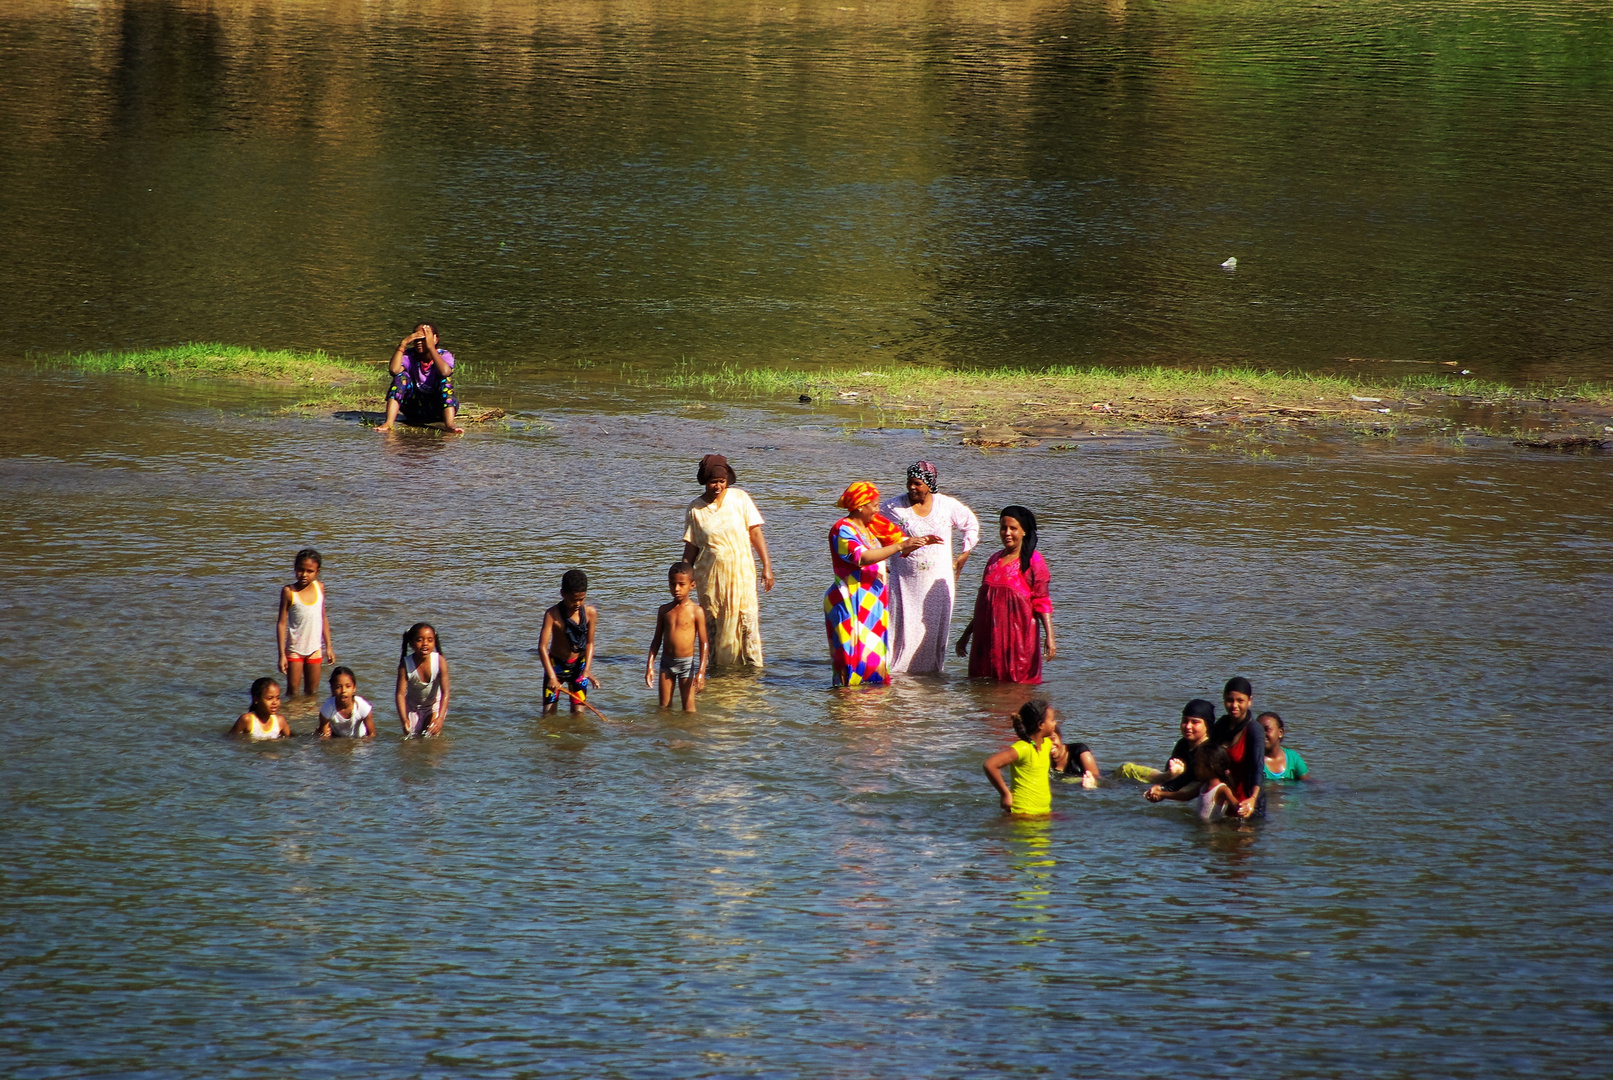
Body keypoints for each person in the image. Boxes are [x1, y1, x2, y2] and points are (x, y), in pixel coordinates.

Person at [824, 482, 939, 687]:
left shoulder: (871, 528)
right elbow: (861, 557)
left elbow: (895, 544)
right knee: (849, 658)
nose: (878, 510)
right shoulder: (842, 529)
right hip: (849, 600)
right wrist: (900, 545)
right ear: (860, 506)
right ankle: (845, 707)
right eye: (874, 505)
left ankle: (870, 708)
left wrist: (915, 542)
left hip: (872, 601)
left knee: (874, 659)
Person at [879, 461, 981, 674]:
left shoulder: (946, 505)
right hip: (904, 582)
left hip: (937, 581)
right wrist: (880, 561)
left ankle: (930, 675)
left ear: (930, 484)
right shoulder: (893, 507)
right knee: (902, 630)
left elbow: (970, 524)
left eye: (917, 483)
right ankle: (898, 676)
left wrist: (964, 554)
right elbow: (871, 528)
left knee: (933, 631)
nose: (912, 488)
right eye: (909, 483)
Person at [682, 454, 774, 670]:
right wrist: (685, 576)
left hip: (742, 577)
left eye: (722, 482)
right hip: (710, 580)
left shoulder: (740, 498)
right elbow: (691, 547)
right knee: (713, 626)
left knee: (747, 624)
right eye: (713, 482)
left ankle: (753, 676)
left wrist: (767, 567)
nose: (718, 486)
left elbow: (755, 534)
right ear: (705, 481)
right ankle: (717, 674)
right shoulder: (695, 509)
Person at [956, 505, 1055, 684]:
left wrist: (1050, 637)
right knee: (982, 688)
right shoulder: (993, 560)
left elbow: (1042, 601)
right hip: (986, 639)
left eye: (1013, 528)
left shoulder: (1034, 562)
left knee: (1017, 688)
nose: (1007, 533)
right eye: (1003, 528)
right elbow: (984, 605)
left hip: (1018, 641)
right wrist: (966, 635)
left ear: (1024, 531)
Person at [982, 699, 1067, 814]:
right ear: (1040, 725)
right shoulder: (1023, 748)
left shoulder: (1047, 744)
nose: (1055, 723)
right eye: (1052, 720)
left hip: (1043, 812)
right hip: (1022, 813)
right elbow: (990, 765)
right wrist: (1005, 794)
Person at [376, 322, 463, 434]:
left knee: (445, 381)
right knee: (401, 377)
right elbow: (394, 370)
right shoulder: (410, 355)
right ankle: (389, 423)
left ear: (435, 339)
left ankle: (449, 425)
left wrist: (431, 347)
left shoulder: (444, 355)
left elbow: (445, 372)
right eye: (416, 339)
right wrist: (403, 344)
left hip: (437, 410)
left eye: (424, 339)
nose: (419, 343)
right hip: (414, 409)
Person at [646, 562, 708, 711]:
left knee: (689, 710)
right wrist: (649, 666)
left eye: (681, 584)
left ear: (692, 585)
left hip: (686, 664)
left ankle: (688, 733)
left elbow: (704, 643)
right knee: (664, 708)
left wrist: (701, 671)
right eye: (672, 584)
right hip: (666, 663)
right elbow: (656, 640)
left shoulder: (696, 611)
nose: (676, 589)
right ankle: (666, 733)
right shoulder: (664, 610)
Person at [276, 548, 334, 696]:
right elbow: (282, 623)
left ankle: (308, 719)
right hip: (295, 649)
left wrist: (329, 647)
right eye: (300, 570)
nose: (304, 574)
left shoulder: (319, 588)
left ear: (317, 571)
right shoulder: (289, 592)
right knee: (293, 693)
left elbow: (323, 617)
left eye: (309, 571)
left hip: (315, 649)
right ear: (295, 569)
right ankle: (291, 717)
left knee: (312, 693)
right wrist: (282, 654)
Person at [540, 569, 599, 714]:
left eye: (582, 599)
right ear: (562, 594)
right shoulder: (552, 614)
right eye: (574, 600)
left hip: (578, 667)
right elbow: (542, 647)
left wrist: (587, 671)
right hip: (556, 667)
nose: (578, 603)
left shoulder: (590, 613)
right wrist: (552, 677)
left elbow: (590, 643)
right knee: (549, 713)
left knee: (579, 713)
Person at [1117, 699, 1215, 784]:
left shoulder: (1209, 751)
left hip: (1186, 789)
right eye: (1185, 721)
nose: (1188, 726)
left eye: (1195, 722)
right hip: (1166, 778)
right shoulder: (1183, 744)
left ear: (1207, 725)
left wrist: (1172, 776)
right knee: (1126, 769)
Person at [1211, 676, 1265, 818]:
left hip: (1247, 801)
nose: (1234, 705)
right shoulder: (1221, 725)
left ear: (1249, 701)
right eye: (1230, 700)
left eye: (1240, 700)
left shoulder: (1254, 730)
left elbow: (1257, 768)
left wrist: (1253, 799)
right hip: (1224, 798)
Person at [1145, 742, 1237, 821]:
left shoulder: (1222, 789)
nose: (1194, 768)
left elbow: (1234, 802)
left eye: (1197, 765)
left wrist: (1242, 808)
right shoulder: (1204, 785)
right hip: (1202, 829)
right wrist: (1161, 794)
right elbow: (1185, 796)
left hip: (1212, 832)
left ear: (1209, 769)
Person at [394, 622, 451, 736]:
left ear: (434, 642)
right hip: (413, 707)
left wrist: (440, 718)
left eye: (430, 640)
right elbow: (400, 695)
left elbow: (446, 692)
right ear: (411, 643)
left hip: (434, 706)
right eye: (419, 640)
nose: (425, 644)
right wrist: (404, 719)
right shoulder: (405, 665)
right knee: (412, 740)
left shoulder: (439, 661)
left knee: (431, 737)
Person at [317, 666, 374, 738]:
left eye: (348, 686)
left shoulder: (362, 707)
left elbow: (372, 735)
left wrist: (363, 744)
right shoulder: (327, 708)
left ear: (354, 688)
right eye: (338, 687)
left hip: (359, 739)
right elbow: (323, 737)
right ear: (332, 689)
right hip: (336, 738)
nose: (343, 690)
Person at [1261, 712, 1310, 782]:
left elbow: (1308, 784)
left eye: (1267, 730)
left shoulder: (1293, 758)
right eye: (1259, 730)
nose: (1262, 734)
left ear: (1280, 732)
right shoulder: (1252, 760)